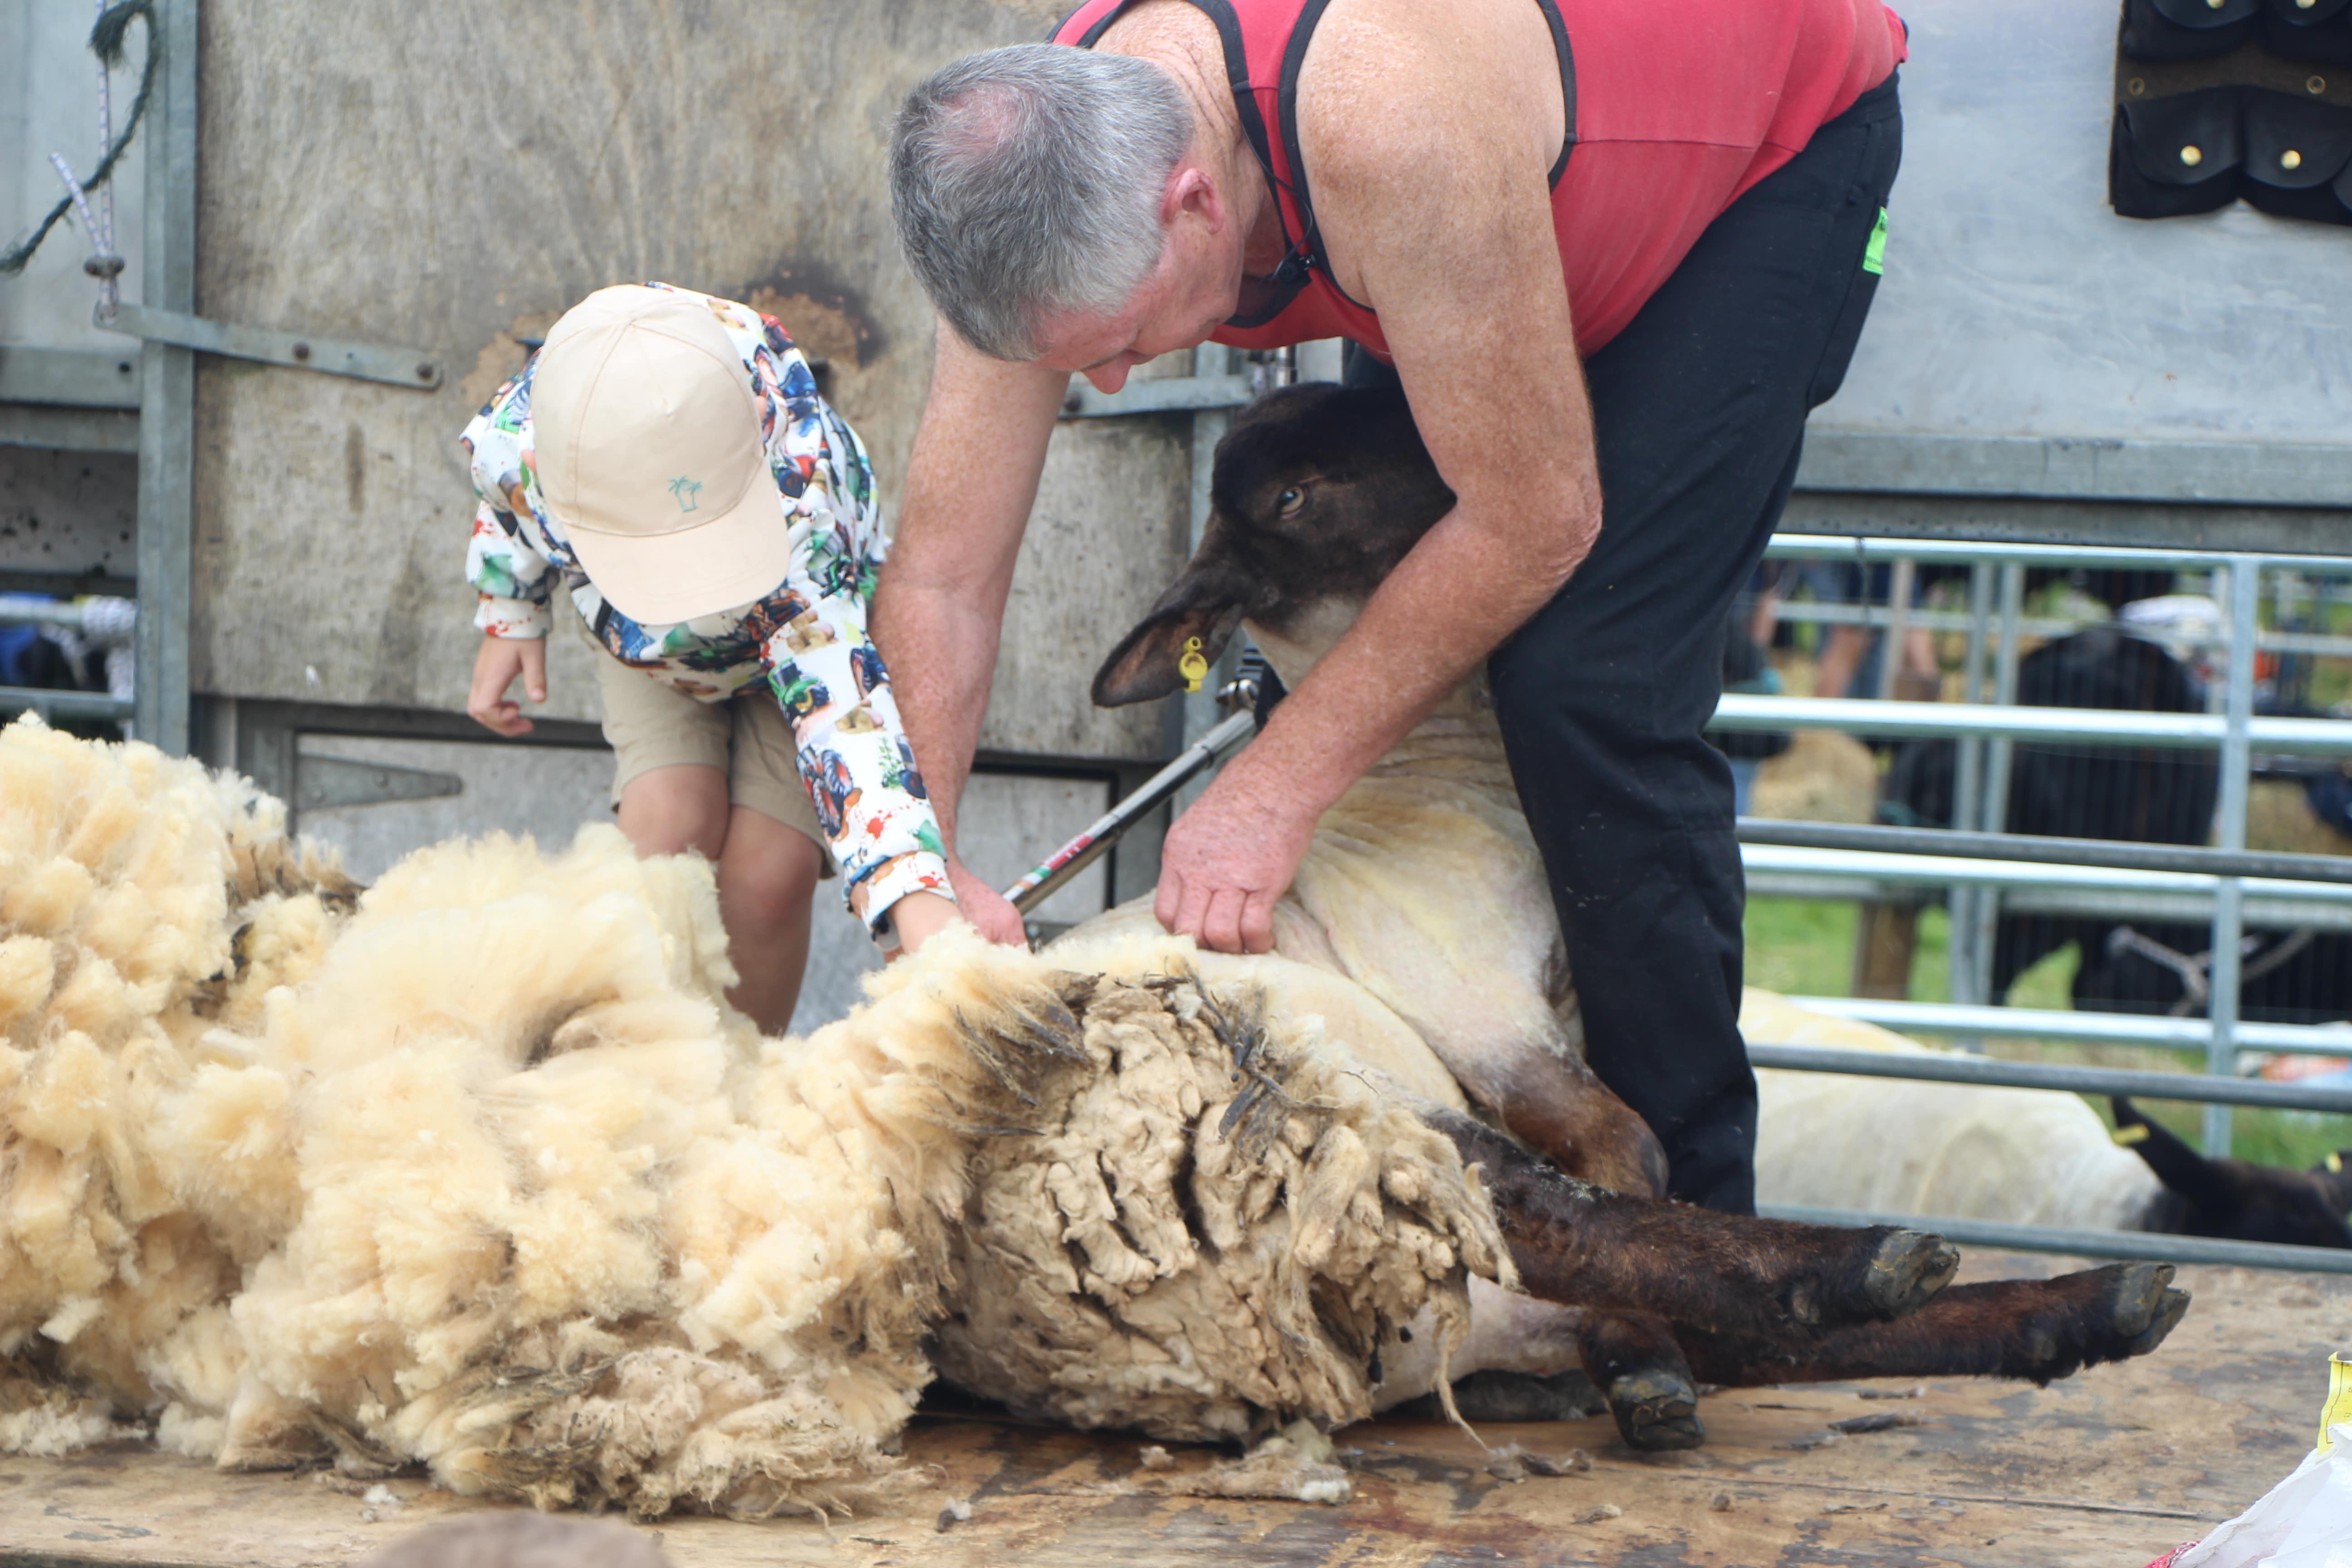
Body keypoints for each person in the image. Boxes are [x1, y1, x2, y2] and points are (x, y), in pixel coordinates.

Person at [873, 0, 1905, 1213]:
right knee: (1383, 635)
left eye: (1122, 341)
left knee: (1585, 677)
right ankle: (1469, 1191)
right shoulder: (1028, 188)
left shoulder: (1386, 130)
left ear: (1193, 202)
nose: (1104, 381)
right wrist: (921, 873)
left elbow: (1532, 518)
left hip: (1755, 167)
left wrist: (1265, 793)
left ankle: (1695, 1236)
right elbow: (943, 578)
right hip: (1458, 200)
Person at [462, 284, 958, 1032]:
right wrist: (511, 614)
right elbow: (507, 508)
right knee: (665, 837)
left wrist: (916, 904)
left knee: (770, 875)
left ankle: (741, 1077)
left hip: (791, 628)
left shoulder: (802, 510)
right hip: (652, 648)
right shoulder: (518, 442)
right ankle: (644, 1059)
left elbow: (846, 719)